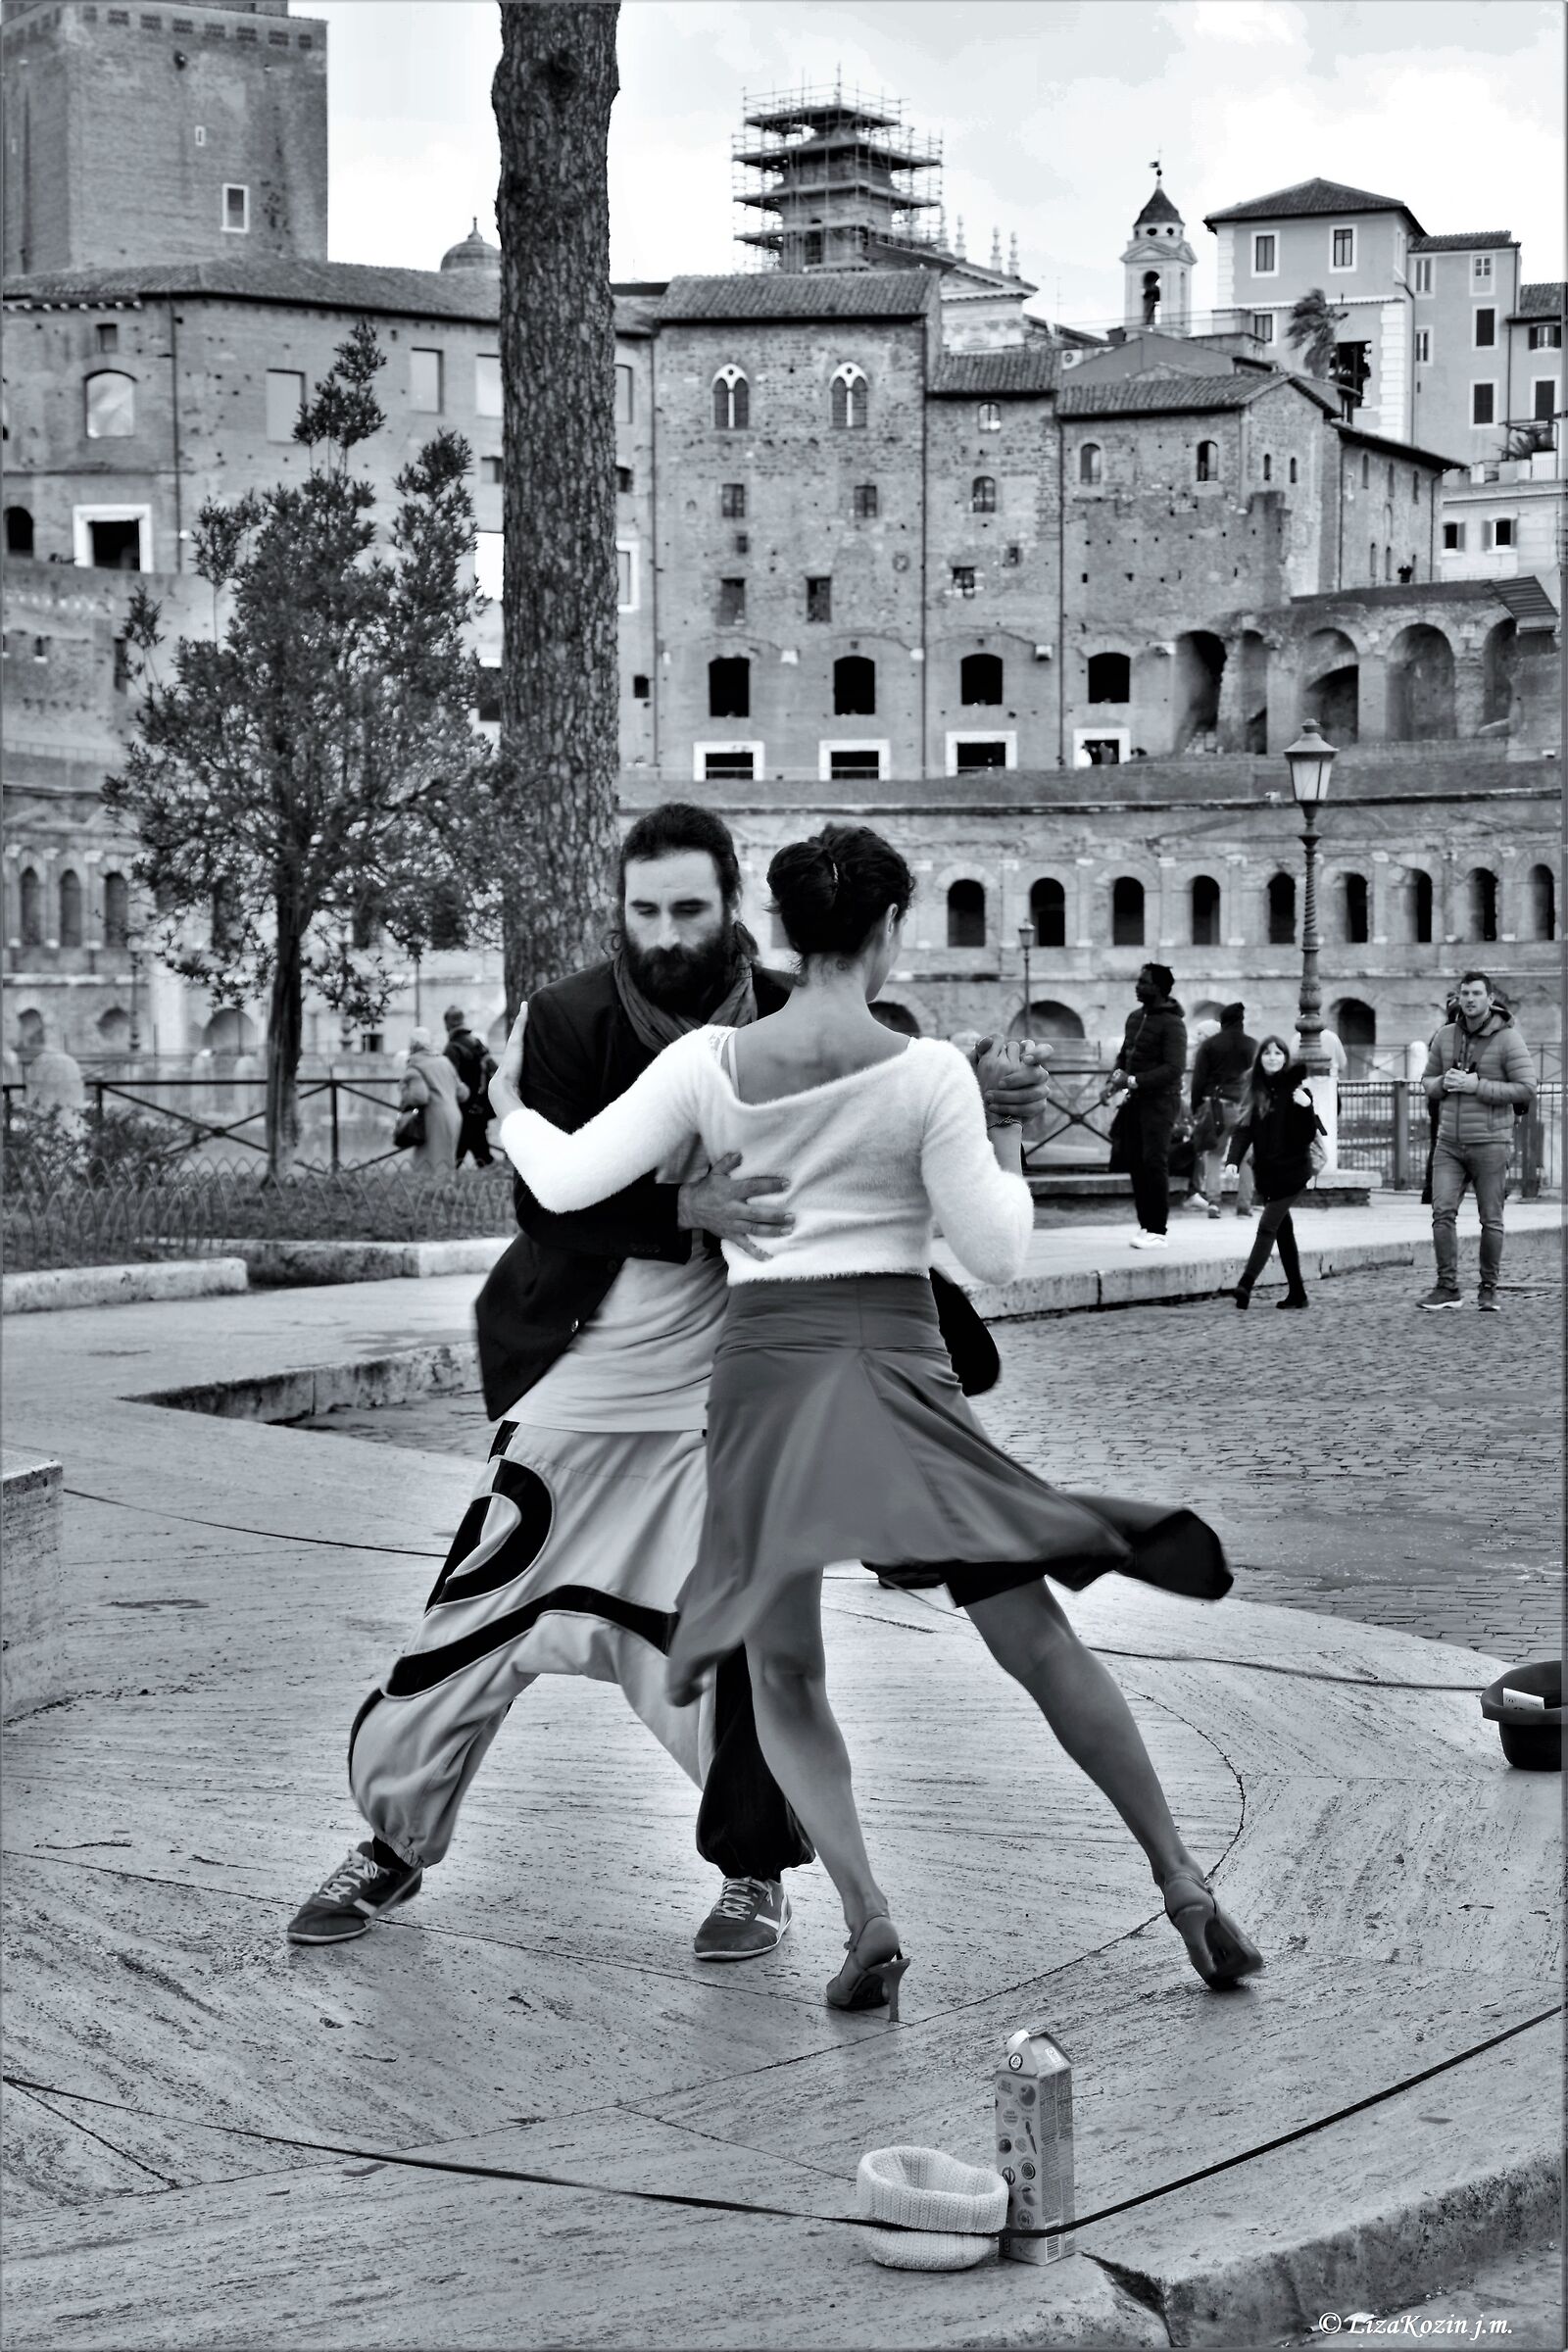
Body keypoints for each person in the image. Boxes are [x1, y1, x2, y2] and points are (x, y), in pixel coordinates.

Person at [500, 824, 1260, 2014]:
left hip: (765, 1379)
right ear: (892, 931)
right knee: (1037, 1640)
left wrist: (507, 1103)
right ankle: (1182, 1885)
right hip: (898, 1372)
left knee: (788, 1669)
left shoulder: (709, 1061)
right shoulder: (923, 1074)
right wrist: (1002, 1134)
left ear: (786, 933)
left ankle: (867, 1916)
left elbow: (560, 1184)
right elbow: (998, 1255)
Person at [290, 804, 1053, 1963]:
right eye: (643, 910)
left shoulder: (809, 1022)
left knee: (746, 1647)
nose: (663, 932)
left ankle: (755, 1870)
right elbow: (545, 1199)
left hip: (735, 1387)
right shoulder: (566, 1018)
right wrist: (683, 1207)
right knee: (472, 1613)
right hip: (583, 1378)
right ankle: (392, 1843)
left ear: (735, 906)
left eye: (688, 908)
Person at [1418, 970, 1536, 1313]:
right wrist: (1444, 1083)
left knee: (1491, 1219)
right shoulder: (1444, 1036)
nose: (1469, 999)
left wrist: (1476, 1086)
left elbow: (1527, 1088)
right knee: (1441, 1213)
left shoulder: (1509, 1039)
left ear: (1490, 998)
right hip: (1449, 1143)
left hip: (1491, 1142)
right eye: (1464, 993)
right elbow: (1426, 1081)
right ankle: (1447, 1286)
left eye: (1476, 993)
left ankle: (1488, 1287)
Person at [1225, 1038, 1325, 1311]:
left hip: (1293, 1171)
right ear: (1260, 1059)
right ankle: (1298, 1293)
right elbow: (1243, 1128)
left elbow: (1306, 1136)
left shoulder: (1296, 1089)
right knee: (1283, 1231)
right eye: (1267, 1053)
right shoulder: (1254, 1089)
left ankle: (1245, 1284)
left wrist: (1307, 1107)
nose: (1272, 1058)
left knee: (1268, 1226)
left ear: (1285, 1057)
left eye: (1277, 1053)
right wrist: (1233, 1159)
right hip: (1268, 1172)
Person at [1102, 963, 1186, 1250]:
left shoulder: (1173, 1024)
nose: (1137, 985)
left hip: (1162, 1102)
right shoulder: (1134, 1018)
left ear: (1159, 987)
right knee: (1135, 1163)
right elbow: (1125, 1056)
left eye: (1144, 981)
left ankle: (1158, 1230)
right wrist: (1113, 1081)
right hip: (1135, 1102)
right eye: (1138, 980)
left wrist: (1133, 1080)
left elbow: (1175, 1068)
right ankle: (1145, 1225)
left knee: (1154, 1162)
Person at [1189, 1003, 1257, 1220]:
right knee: (1245, 1156)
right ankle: (1244, 1207)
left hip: (1216, 1105)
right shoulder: (1252, 1045)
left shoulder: (1210, 1045)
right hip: (1244, 1106)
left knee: (1214, 1154)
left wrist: (1195, 1105)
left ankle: (1214, 1203)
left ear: (1223, 1021)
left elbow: (1198, 1080)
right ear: (1241, 1021)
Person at [397, 1026, 466, 1177]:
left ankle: (433, 1196)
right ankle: (449, 1193)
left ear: (412, 1045)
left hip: (433, 1118)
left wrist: (404, 1091)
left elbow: (420, 1096)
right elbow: (463, 1093)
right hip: (454, 1115)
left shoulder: (415, 1065)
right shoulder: (444, 1061)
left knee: (430, 1164)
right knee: (447, 1161)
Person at [443, 1005, 497, 1169]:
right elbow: (494, 1068)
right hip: (481, 1105)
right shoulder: (477, 1043)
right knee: (479, 1149)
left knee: (460, 1149)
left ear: (447, 1024)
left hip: (464, 1106)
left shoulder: (452, 1048)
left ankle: (447, 1180)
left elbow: (450, 1078)